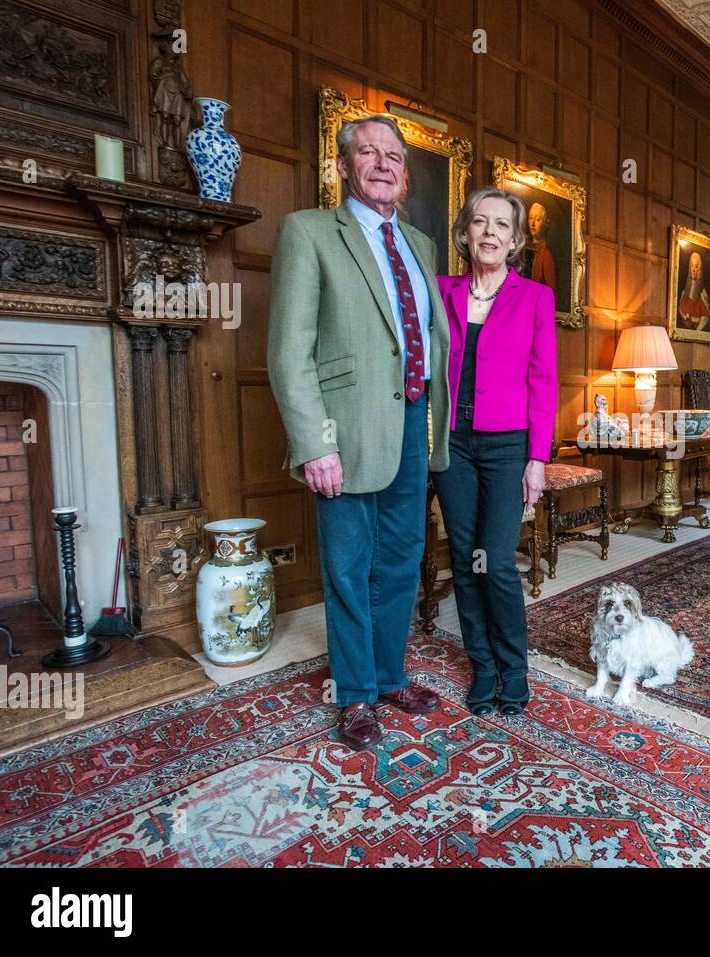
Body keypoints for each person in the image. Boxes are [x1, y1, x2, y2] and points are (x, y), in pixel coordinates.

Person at [267, 114, 451, 751]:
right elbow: (290, 351)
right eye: (367, 153)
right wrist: (315, 444)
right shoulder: (310, 231)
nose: (383, 164)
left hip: (410, 425)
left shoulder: (422, 246)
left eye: (394, 156)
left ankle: (389, 673)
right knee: (349, 567)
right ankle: (354, 695)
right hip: (342, 432)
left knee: (401, 560)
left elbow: (423, 339)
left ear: (404, 172)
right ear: (342, 166)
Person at [434, 187, 558, 716]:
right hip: (452, 445)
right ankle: (482, 668)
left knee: (498, 563)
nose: (489, 232)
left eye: (501, 225)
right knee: (465, 560)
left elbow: (543, 381)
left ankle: (515, 668)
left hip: (508, 447)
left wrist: (537, 459)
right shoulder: (441, 291)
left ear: (515, 241)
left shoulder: (534, 298)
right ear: (464, 234)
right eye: (479, 223)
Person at [524, 202, 556, 289]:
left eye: (538, 219)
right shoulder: (523, 248)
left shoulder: (546, 254)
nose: (533, 223)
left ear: (544, 224)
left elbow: (550, 291)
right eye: (531, 218)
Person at [678, 250, 710, 330]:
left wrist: (697, 331)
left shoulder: (702, 292)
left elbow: (705, 316)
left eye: (696, 266)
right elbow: (681, 308)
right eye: (692, 266)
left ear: (699, 269)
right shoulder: (686, 289)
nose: (693, 269)